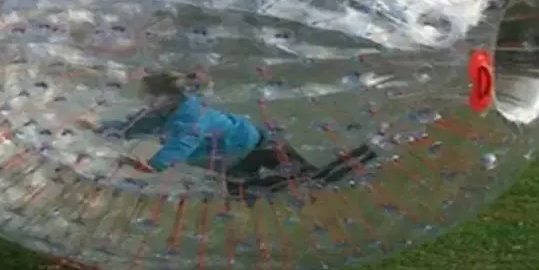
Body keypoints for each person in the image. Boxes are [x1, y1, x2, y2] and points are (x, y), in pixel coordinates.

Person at [78, 71, 378, 200]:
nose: (145, 102)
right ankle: (277, 208)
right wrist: (101, 128)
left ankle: (367, 154)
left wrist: (155, 164)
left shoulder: (189, 117)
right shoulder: (164, 113)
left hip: (261, 148)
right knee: (245, 194)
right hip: (235, 159)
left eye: (149, 96)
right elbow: (134, 126)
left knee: (311, 179)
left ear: (167, 97)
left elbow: (185, 141)